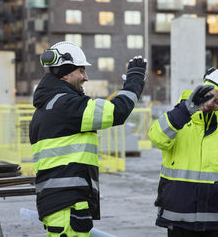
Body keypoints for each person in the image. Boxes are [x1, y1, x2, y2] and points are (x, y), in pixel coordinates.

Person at [29, 41, 146, 237]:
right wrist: (135, 79)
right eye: (81, 71)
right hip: (67, 204)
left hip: (61, 203)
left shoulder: (47, 106)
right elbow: (117, 111)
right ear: (65, 73)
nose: (86, 77)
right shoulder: (65, 105)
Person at [148, 67, 218, 237]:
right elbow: (156, 137)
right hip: (179, 217)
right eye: (209, 96)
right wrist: (184, 111)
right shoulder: (178, 119)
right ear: (201, 91)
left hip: (217, 219)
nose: (211, 103)